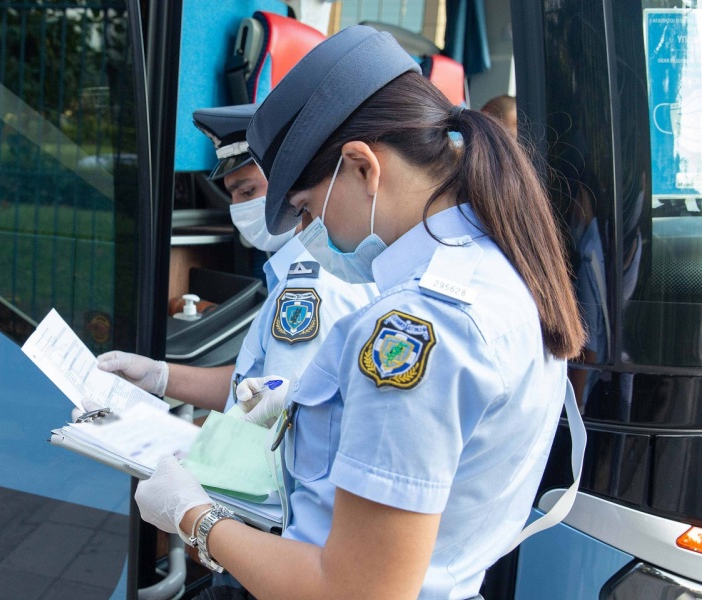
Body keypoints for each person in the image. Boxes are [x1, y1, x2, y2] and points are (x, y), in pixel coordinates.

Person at [133, 25, 585, 600]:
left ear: (362, 167)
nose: (307, 232)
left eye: (304, 208)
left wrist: (195, 516)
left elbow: (351, 591)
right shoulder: (499, 269)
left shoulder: (422, 327)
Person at [98, 104, 377, 420]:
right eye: (231, 194)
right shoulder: (312, 267)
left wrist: (190, 455)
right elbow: (256, 387)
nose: (236, 208)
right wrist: (160, 376)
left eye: (247, 191)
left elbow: (273, 415)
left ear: (291, 182)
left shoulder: (310, 284)